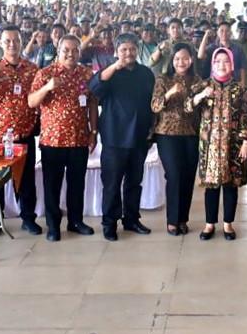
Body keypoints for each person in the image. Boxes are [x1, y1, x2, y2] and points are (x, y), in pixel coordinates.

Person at [89, 33, 156, 241]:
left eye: (132, 49)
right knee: (111, 183)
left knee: (134, 182)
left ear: (137, 50)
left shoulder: (146, 73)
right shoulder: (110, 73)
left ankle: (131, 219)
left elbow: (153, 103)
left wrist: (152, 128)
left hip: (139, 137)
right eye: (124, 49)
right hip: (114, 138)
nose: (128, 53)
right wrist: (114, 67)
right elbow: (94, 88)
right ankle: (109, 223)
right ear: (116, 52)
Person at [29, 35, 97, 240]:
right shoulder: (45, 73)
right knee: (52, 185)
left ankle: (76, 221)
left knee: (77, 184)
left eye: (75, 50)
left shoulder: (86, 74)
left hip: (79, 138)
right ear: (58, 51)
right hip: (53, 140)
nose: (71, 54)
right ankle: (53, 225)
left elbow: (93, 104)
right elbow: (32, 102)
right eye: (66, 50)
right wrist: (47, 87)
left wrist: (94, 132)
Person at [0, 27, 41, 235]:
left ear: (21, 43)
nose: (12, 44)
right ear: (1, 44)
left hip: (24, 134)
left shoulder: (32, 69)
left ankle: (28, 218)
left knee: (26, 180)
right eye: (7, 41)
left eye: (16, 41)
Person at [190, 47, 247, 240]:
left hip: (233, 145)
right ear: (212, 64)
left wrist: (245, 142)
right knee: (211, 186)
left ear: (232, 64)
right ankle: (209, 224)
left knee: (230, 185)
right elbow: (187, 106)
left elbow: (246, 116)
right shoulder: (203, 85)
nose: (221, 65)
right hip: (209, 146)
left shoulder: (239, 89)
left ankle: (228, 224)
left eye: (226, 61)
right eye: (217, 61)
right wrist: (201, 96)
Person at [150, 43, 201, 236]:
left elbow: (199, 107)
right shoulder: (163, 79)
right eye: (178, 59)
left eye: (185, 58)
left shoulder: (196, 80)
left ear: (191, 60)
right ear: (172, 61)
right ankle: (172, 220)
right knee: (174, 175)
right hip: (167, 134)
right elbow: (155, 106)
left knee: (188, 177)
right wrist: (170, 93)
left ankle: (182, 219)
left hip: (191, 133)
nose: (181, 62)